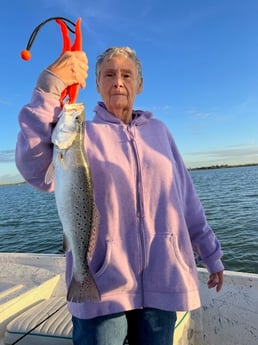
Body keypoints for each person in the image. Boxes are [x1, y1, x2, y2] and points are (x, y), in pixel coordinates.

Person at [15, 46, 224, 345]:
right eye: (109, 75)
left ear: (139, 84)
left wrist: (211, 254)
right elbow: (34, 166)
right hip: (100, 283)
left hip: (163, 280)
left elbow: (187, 200)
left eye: (127, 75)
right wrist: (48, 88)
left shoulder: (161, 132)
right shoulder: (80, 132)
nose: (118, 82)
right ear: (98, 84)